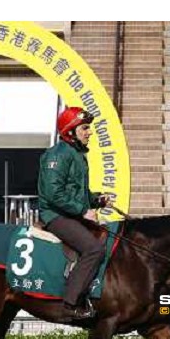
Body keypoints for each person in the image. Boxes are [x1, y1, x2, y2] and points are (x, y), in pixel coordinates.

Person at [38, 106, 114, 320]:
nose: (89, 132)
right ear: (70, 131)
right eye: (85, 128)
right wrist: (83, 210)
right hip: (55, 216)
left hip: (70, 213)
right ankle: (69, 304)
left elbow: (77, 192)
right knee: (93, 249)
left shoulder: (76, 154)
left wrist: (96, 200)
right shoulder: (58, 154)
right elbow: (54, 194)